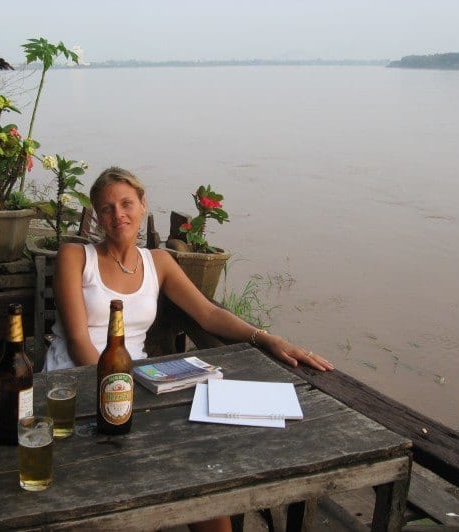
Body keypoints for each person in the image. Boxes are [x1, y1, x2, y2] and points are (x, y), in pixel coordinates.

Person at [44, 166, 334, 532]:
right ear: (97, 217)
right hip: (77, 384)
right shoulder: (75, 257)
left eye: (126, 203)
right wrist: (124, 390)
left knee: (202, 469)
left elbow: (209, 314)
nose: (118, 215)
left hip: (138, 385)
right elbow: (79, 342)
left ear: (143, 205)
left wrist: (266, 337)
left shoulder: (159, 262)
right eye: (106, 208)